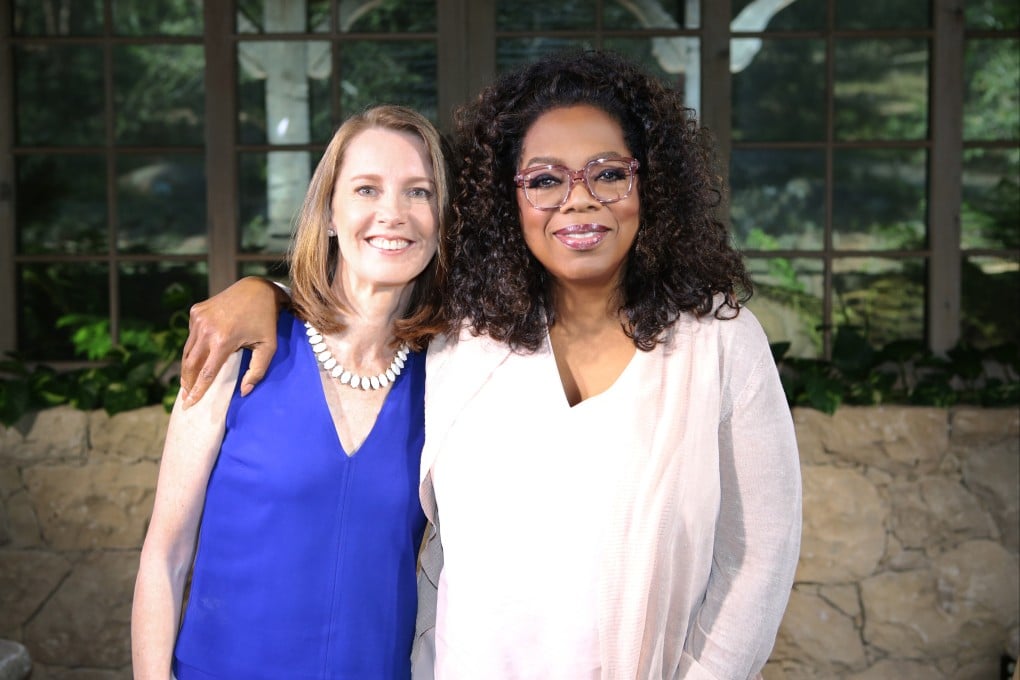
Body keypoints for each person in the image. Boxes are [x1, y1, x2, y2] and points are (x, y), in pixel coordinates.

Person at [180, 50, 802, 680]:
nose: (578, 200)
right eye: (544, 179)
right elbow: (365, 305)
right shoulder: (465, 337)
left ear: (652, 183)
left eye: (608, 173)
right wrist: (266, 293)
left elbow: (760, 554)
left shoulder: (720, 343)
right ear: (510, 199)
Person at [131, 104, 451, 680]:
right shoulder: (238, 348)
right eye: (366, 189)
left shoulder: (450, 378)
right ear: (329, 212)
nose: (393, 214)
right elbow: (165, 555)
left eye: (419, 192)